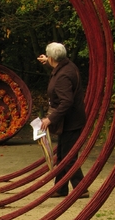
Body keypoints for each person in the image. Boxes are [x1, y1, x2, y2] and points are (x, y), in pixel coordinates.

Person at [38, 42, 89, 198]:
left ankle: (81, 188)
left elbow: (66, 101)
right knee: (62, 154)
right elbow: (58, 68)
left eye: (49, 57)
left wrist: (50, 119)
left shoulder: (63, 76)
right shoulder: (67, 65)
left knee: (68, 156)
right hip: (70, 120)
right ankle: (61, 188)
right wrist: (47, 62)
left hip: (70, 122)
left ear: (53, 57)